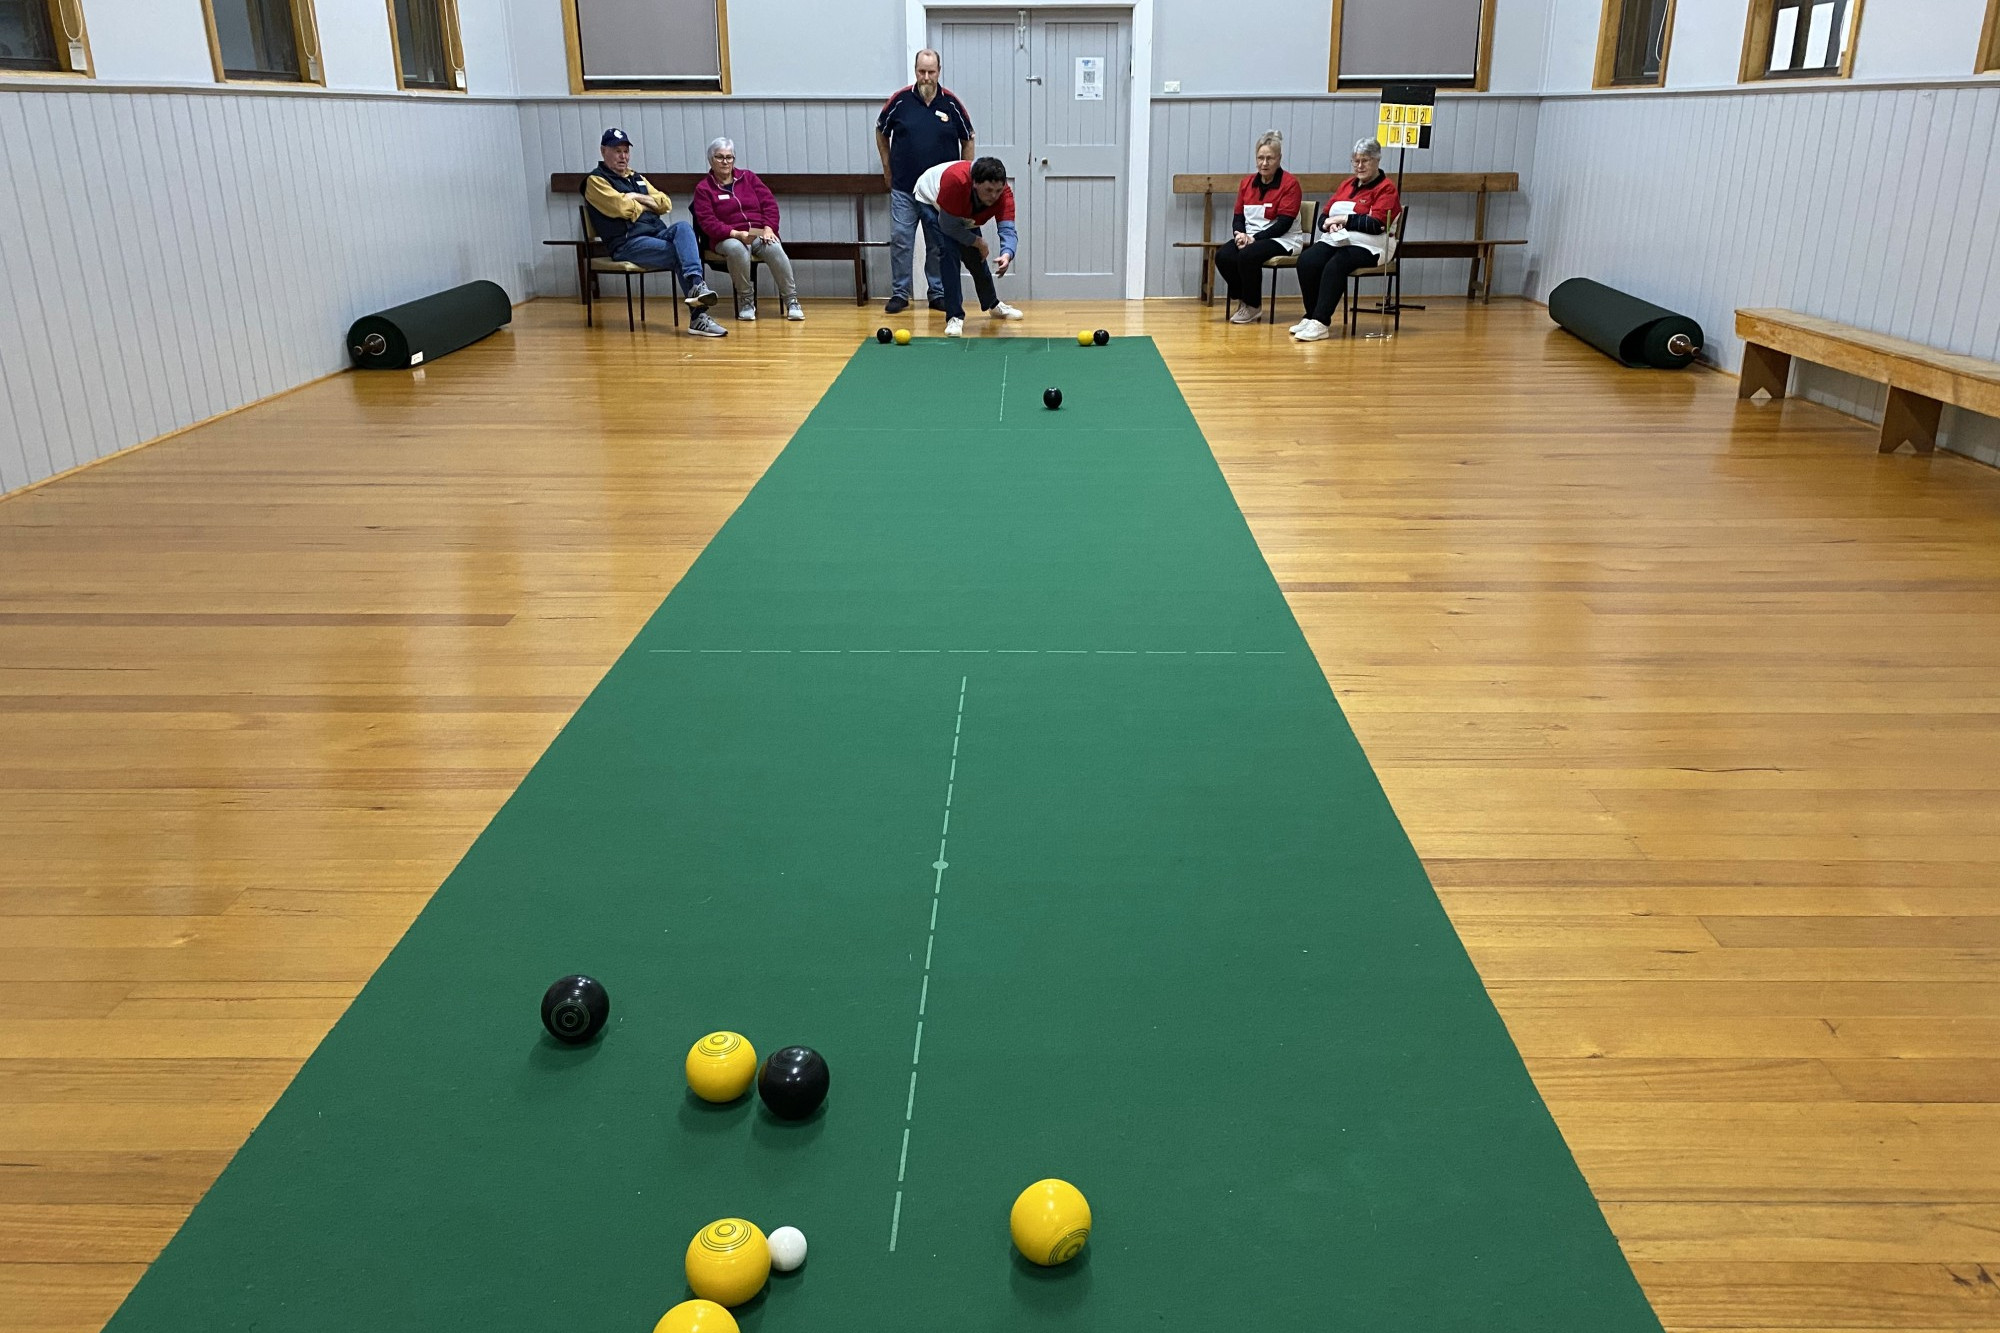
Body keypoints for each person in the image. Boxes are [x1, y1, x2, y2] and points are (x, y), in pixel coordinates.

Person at [581, 128, 727, 337]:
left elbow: (665, 203)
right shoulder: (596, 181)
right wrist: (647, 203)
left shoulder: (636, 177)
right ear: (603, 151)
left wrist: (634, 196)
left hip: (655, 235)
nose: (623, 156)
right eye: (617, 151)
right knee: (681, 253)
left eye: (625, 151)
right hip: (627, 243)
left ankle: (697, 287)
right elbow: (622, 208)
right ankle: (699, 316)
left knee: (683, 228)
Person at [875, 49, 975, 315]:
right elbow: (881, 131)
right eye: (922, 71)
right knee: (901, 240)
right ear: (915, 70)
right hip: (904, 188)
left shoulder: (951, 104)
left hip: (939, 193)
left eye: (931, 72)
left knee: (938, 242)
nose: (926, 77)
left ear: (939, 71)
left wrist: (965, 178)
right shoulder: (899, 101)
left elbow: (968, 139)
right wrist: (887, 167)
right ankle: (899, 293)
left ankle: (937, 292)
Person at [1292, 139, 1403, 342]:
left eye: (1365, 161)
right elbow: (1323, 217)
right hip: (1337, 240)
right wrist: (1329, 224)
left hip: (1371, 245)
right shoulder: (1346, 185)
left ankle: (1321, 321)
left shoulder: (1387, 189)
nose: (1359, 166)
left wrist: (1344, 219)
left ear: (1377, 160)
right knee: (1307, 261)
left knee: (1337, 264)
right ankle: (1311, 314)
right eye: (1355, 161)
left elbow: (1377, 224)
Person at [692, 137, 804, 323]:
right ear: (711, 160)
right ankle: (746, 302)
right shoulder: (704, 189)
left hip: (757, 231)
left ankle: (792, 301)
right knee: (737, 248)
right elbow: (708, 222)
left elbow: (769, 204)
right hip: (726, 237)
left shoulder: (748, 177)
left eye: (729, 157)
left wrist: (769, 229)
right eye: (720, 157)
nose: (725, 162)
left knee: (775, 247)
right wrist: (736, 234)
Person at [911, 156, 1022, 337]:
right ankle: (954, 317)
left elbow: (1008, 229)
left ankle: (992, 304)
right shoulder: (956, 182)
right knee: (949, 254)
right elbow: (948, 227)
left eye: (998, 190)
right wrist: (978, 241)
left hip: (960, 207)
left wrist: (1007, 254)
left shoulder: (1003, 195)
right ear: (975, 184)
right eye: (988, 190)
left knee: (976, 257)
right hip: (931, 200)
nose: (994, 196)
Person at [1212, 130, 1303, 324]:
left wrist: (1254, 239)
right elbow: (1238, 217)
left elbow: (1283, 224)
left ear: (1279, 159)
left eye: (1269, 158)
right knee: (1223, 255)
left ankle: (1253, 306)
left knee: (1248, 255)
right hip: (1252, 237)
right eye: (1260, 158)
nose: (1264, 163)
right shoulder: (1246, 184)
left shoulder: (1290, 184)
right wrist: (1240, 235)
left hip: (1283, 238)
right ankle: (1244, 296)